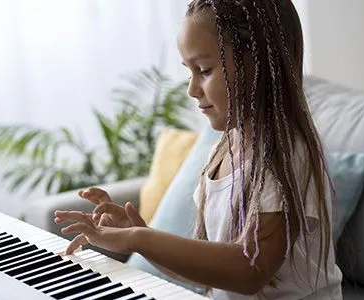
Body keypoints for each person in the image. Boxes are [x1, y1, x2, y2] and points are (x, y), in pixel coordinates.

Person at [54, 0, 343, 299]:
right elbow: (209, 274)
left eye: (204, 70)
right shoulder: (222, 150)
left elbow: (249, 271)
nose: (192, 89)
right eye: (189, 71)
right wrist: (142, 234)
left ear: (257, 66)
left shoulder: (287, 154)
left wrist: (137, 239)